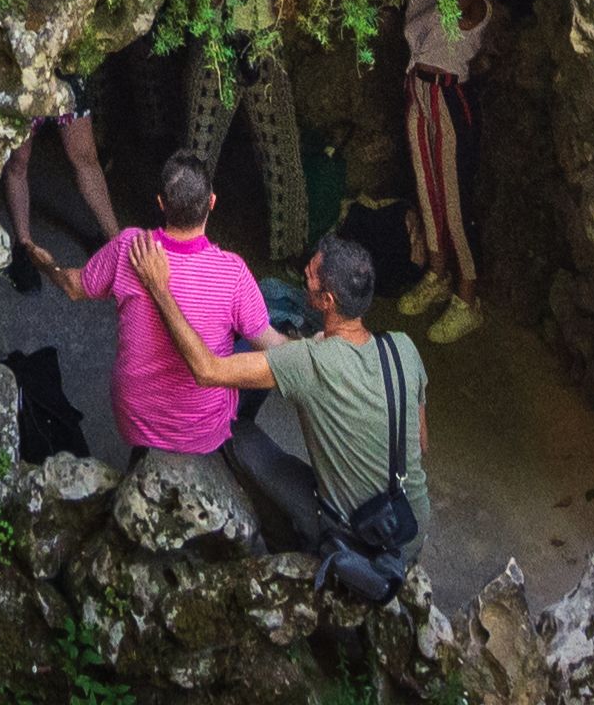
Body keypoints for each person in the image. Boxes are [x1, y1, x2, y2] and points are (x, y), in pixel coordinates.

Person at [117, 225, 433, 586]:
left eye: (311, 275)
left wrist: (159, 288)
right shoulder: (402, 348)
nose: (305, 275)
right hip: (408, 530)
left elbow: (207, 370)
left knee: (235, 433)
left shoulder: (310, 362)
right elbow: (421, 442)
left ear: (327, 301)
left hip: (358, 544)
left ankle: (289, 547)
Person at [70, 155, 269, 489]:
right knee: (251, 344)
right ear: (212, 202)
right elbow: (271, 344)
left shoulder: (131, 246)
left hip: (135, 417)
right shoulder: (233, 273)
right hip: (201, 431)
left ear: (161, 203)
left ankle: (143, 466)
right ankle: (228, 444)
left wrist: (42, 260)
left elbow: (76, 286)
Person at [403, 0, 515, 307]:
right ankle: (437, 273)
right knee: (427, 190)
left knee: (453, 199)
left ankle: (468, 297)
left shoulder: (478, 3)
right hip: (418, 93)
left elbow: (459, 1)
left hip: (449, 98)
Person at [3, 52, 124, 279]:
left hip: (62, 62)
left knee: (85, 157)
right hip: (24, 64)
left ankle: (116, 243)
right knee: (18, 161)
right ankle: (25, 247)